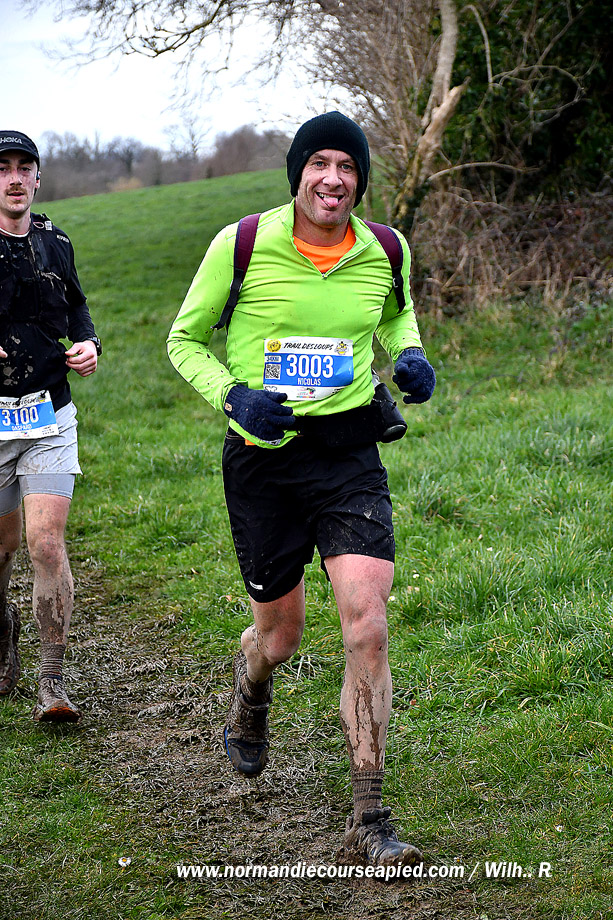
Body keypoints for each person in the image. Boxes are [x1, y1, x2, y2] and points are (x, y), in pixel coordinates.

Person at [167, 112, 435, 867]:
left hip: (347, 454)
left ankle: (369, 818)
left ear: (360, 181)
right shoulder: (243, 243)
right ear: (298, 174)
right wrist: (234, 398)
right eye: (319, 164)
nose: (332, 179)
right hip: (264, 462)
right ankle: (251, 686)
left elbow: (397, 316)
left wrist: (409, 356)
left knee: (366, 624)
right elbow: (183, 340)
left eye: (347, 167)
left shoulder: (386, 249)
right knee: (280, 638)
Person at [0, 131, 102, 722]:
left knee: (44, 542)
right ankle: (3, 627)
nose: (14, 178)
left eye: (24, 168)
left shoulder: (55, 243)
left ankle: (52, 681)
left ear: (38, 179)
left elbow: (78, 306)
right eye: (3, 168)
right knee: (2, 549)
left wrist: (89, 344)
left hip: (48, 414)